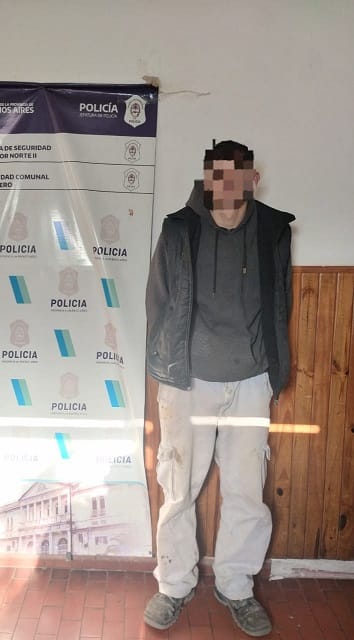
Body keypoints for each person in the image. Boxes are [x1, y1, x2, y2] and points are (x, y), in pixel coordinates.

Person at [144, 140, 295, 636]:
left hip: (251, 381)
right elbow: (158, 303)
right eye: (218, 176)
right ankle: (173, 585)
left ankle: (236, 586)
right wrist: (168, 367)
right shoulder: (178, 229)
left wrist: (273, 368)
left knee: (246, 492)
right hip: (188, 381)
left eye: (236, 176)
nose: (227, 186)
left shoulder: (273, 229)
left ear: (252, 180)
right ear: (207, 179)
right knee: (178, 489)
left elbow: (280, 301)